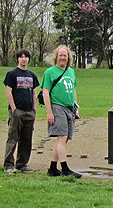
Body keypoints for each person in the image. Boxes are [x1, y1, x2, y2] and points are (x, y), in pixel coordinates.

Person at [41, 44, 82, 178]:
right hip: (57, 107)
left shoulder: (71, 72)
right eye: (60, 55)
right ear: (56, 57)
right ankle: (65, 168)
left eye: (65, 55)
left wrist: (76, 107)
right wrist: (49, 112)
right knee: (62, 137)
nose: (63, 58)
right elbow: (45, 92)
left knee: (63, 139)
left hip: (69, 108)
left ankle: (53, 168)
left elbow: (73, 90)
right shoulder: (50, 72)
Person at [3, 49, 39, 174]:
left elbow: (34, 93)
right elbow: (9, 92)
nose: (24, 59)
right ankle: (8, 165)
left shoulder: (32, 75)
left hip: (29, 112)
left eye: (26, 57)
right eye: (21, 57)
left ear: (29, 59)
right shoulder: (12, 74)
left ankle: (22, 164)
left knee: (26, 139)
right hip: (17, 111)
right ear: (17, 59)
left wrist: (34, 110)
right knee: (13, 137)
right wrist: (14, 109)